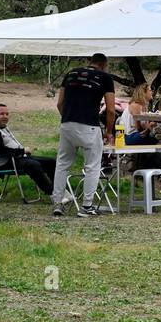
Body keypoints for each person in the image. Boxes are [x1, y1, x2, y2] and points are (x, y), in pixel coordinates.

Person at [52, 53, 116, 217]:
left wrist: (68, 119)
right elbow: (110, 109)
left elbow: (60, 103)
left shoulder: (71, 73)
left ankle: (58, 203)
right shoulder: (105, 78)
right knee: (92, 166)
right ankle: (86, 206)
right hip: (89, 125)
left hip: (67, 123)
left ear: (90, 62)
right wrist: (109, 132)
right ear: (104, 64)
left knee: (63, 163)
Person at [0, 103, 55, 196]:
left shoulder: (2, 127)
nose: (5, 116)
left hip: (17, 158)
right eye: (2, 114)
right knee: (33, 164)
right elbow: (2, 151)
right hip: (6, 162)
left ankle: (59, 189)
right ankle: (52, 193)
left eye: (7, 114)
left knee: (51, 162)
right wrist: (22, 151)